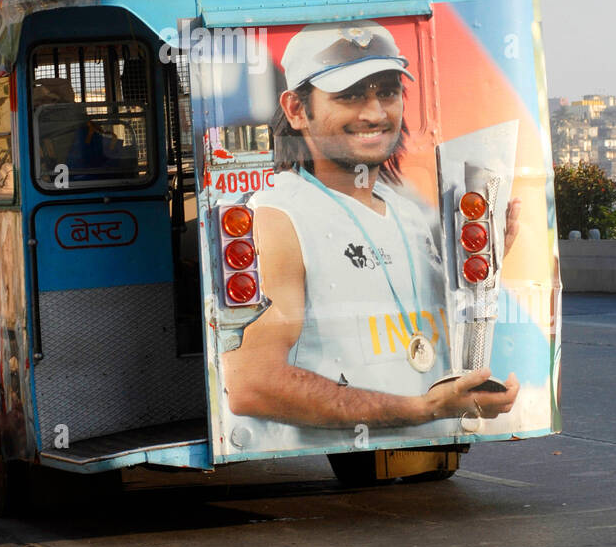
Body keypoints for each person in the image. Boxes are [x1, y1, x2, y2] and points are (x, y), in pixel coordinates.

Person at [223, 22, 520, 447]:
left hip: (425, 459)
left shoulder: (410, 213)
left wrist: (485, 270)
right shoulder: (278, 215)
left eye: (387, 91)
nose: (375, 113)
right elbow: (253, 383)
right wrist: (425, 409)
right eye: (349, 95)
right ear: (295, 110)